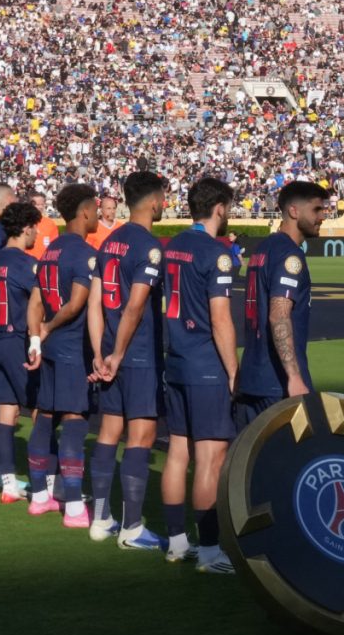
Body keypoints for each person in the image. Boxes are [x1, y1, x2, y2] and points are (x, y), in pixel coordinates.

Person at [157, 177, 242, 571]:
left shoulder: (171, 246)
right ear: (220, 207)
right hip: (204, 362)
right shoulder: (216, 253)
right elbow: (221, 318)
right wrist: (233, 370)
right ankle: (209, 549)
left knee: (178, 451)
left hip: (173, 357)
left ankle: (176, 541)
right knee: (210, 457)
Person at [88, 169, 167, 548]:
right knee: (141, 436)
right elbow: (135, 308)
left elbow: (94, 304)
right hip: (135, 356)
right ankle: (132, 527)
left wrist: (100, 352)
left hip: (109, 351)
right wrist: (117, 354)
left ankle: (101, 519)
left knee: (107, 433)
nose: (165, 205)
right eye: (164, 199)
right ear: (154, 202)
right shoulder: (149, 247)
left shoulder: (109, 242)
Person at [29, 183, 102, 524]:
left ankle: (40, 495)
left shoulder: (51, 250)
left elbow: (35, 300)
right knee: (74, 420)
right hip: (72, 346)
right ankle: (74, 505)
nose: (98, 215)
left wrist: (39, 332)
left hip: (52, 348)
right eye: (96, 209)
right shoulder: (82, 252)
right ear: (85, 211)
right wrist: (51, 326)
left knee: (45, 416)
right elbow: (76, 303)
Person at [239, 179, 332, 428]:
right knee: (291, 461)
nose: (323, 216)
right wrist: (293, 376)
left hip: (251, 376)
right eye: (316, 209)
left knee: (251, 462)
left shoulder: (262, 249)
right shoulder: (290, 255)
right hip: (278, 383)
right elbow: (279, 315)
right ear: (294, 211)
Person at [0, 201, 47, 505]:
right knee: (39, 411)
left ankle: (7, 482)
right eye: (34, 227)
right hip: (16, 340)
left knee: (7, 411)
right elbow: (39, 300)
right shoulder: (23, 263)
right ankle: (45, 484)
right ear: (26, 228)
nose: (37, 234)